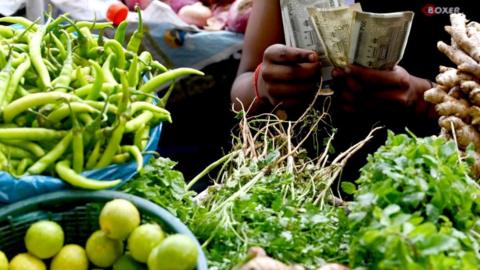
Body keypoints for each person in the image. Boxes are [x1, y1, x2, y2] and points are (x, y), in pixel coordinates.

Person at [230, 0, 478, 178]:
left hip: (435, 180)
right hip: (306, 178)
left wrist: (423, 98)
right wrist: (263, 85)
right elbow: (241, 89)